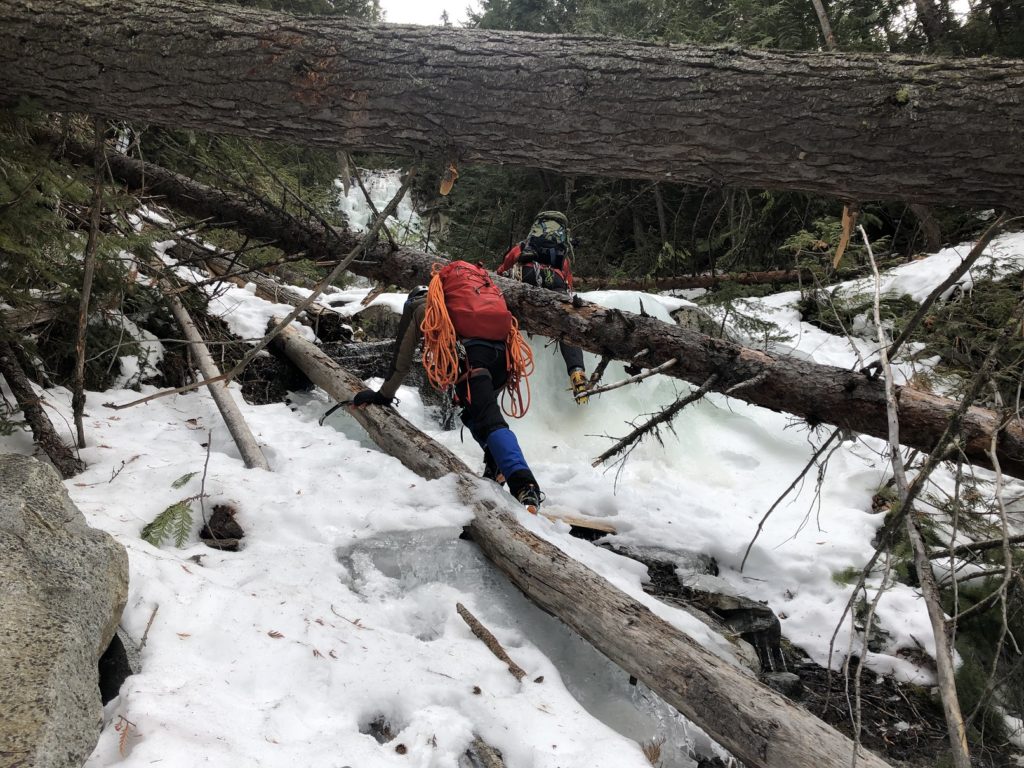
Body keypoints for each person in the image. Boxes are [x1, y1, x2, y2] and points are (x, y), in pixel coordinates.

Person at [351, 261, 543, 511]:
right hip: (502, 359)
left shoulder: (422, 308)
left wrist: (383, 395)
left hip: (473, 359)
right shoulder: (471, 300)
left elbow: (403, 357)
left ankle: (524, 485)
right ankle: (495, 468)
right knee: (476, 413)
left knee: (489, 420)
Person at [496, 210, 589, 405]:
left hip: (527, 274)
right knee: (567, 323)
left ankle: (502, 367)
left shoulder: (523, 246)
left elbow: (502, 271)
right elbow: (568, 282)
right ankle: (577, 371)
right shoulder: (561, 254)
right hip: (555, 280)